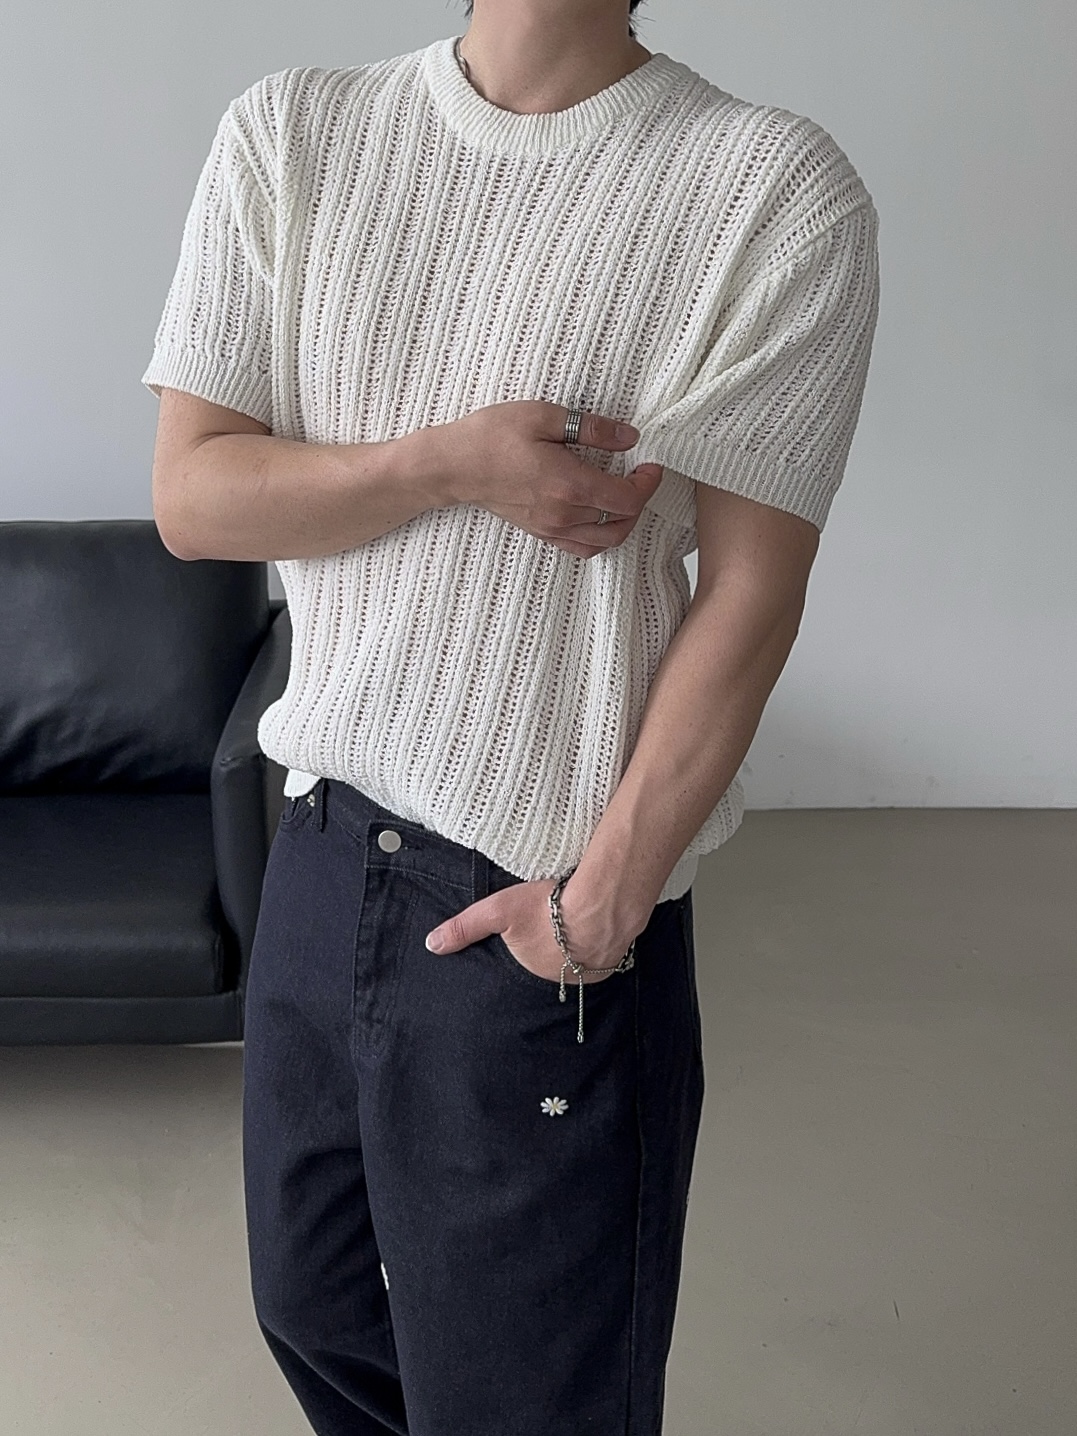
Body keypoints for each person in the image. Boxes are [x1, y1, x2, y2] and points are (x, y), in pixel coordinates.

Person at [142, 1, 880, 1430]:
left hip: (537, 902)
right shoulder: (293, 132)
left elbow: (752, 588)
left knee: (525, 1399)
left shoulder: (769, 185)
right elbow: (195, 499)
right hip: (322, 851)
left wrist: (600, 904)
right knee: (316, 1320)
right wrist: (447, 467)